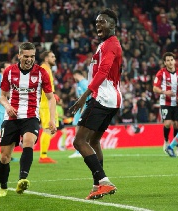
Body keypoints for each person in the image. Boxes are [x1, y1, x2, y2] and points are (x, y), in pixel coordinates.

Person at [69, 8, 121, 200]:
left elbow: (103, 71)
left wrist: (84, 97)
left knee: (79, 141)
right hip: (111, 98)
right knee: (93, 141)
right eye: (97, 22)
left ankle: (104, 181)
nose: (98, 25)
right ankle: (97, 184)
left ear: (113, 25)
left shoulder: (110, 45)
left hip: (102, 98)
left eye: (103, 22)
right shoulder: (106, 44)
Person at [0, 42, 57, 197]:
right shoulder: (9, 71)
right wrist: (7, 106)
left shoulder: (41, 72)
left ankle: (22, 180)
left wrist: (52, 120)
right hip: (11, 117)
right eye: (26, 56)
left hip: (31, 116)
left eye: (32, 56)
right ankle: (3, 187)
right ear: (19, 56)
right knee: (4, 157)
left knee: (28, 142)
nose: (29, 59)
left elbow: (51, 98)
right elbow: (2, 96)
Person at [153, 52, 178, 157]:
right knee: (167, 123)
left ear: (174, 61)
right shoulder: (161, 73)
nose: (170, 62)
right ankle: (166, 141)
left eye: (172, 60)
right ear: (164, 62)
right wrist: (165, 92)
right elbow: (154, 88)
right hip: (165, 102)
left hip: (177, 102)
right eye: (168, 60)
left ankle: (177, 147)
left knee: (176, 124)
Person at [38, 51, 58, 164]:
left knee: (51, 130)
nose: (54, 58)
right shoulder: (44, 68)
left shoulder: (47, 68)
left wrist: (53, 95)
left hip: (48, 103)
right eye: (52, 56)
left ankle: (43, 154)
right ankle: (43, 156)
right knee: (48, 129)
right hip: (45, 104)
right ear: (46, 58)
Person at [69, 70, 89, 158]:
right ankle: (79, 150)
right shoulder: (79, 84)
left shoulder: (84, 83)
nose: (74, 79)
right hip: (80, 108)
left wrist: (84, 109)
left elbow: (89, 97)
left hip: (83, 109)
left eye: (74, 77)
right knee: (78, 128)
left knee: (79, 129)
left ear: (76, 75)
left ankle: (79, 151)